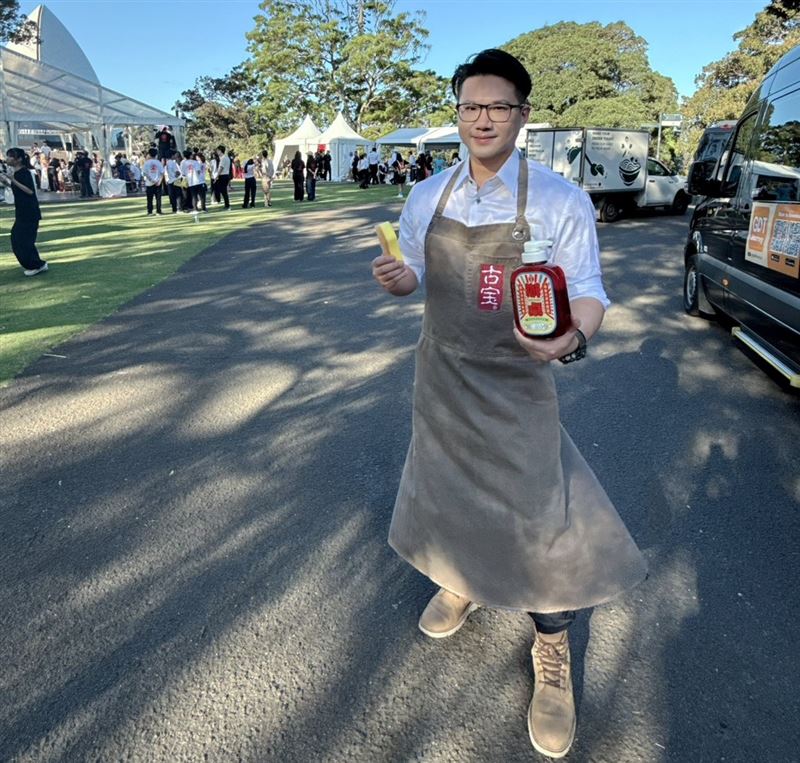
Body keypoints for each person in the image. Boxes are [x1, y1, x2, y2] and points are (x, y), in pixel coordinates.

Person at [370, 48, 646, 760]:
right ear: (457, 112)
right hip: (442, 375)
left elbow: (588, 292)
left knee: (540, 515)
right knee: (447, 494)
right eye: (469, 105)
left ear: (523, 114)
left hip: (520, 382)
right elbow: (410, 282)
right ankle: (461, 584)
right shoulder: (428, 195)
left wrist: (572, 339)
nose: (481, 118)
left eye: (497, 106)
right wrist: (398, 279)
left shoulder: (559, 200)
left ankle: (551, 650)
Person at [0, 148, 47, 276]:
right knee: (18, 239)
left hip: (29, 212)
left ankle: (36, 264)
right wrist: (7, 182)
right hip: (22, 211)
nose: (8, 159)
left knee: (23, 240)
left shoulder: (24, 172)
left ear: (19, 159)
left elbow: (30, 191)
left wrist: (13, 180)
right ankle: (36, 263)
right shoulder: (17, 173)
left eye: (11, 157)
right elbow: (18, 189)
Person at [142, 148, 164, 215]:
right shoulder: (158, 162)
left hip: (149, 183)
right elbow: (162, 173)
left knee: (149, 198)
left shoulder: (146, 163)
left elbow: (145, 173)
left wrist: (151, 180)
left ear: (149, 154)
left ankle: (150, 211)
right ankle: (158, 211)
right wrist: (159, 181)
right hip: (158, 183)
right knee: (158, 198)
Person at [215, 145, 232, 210]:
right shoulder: (227, 157)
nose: (217, 152)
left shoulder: (223, 158)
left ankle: (227, 205)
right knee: (223, 191)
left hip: (223, 175)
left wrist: (217, 176)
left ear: (220, 151)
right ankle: (226, 204)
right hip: (226, 175)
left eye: (217, 151)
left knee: (223, 191)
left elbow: (221, 168)